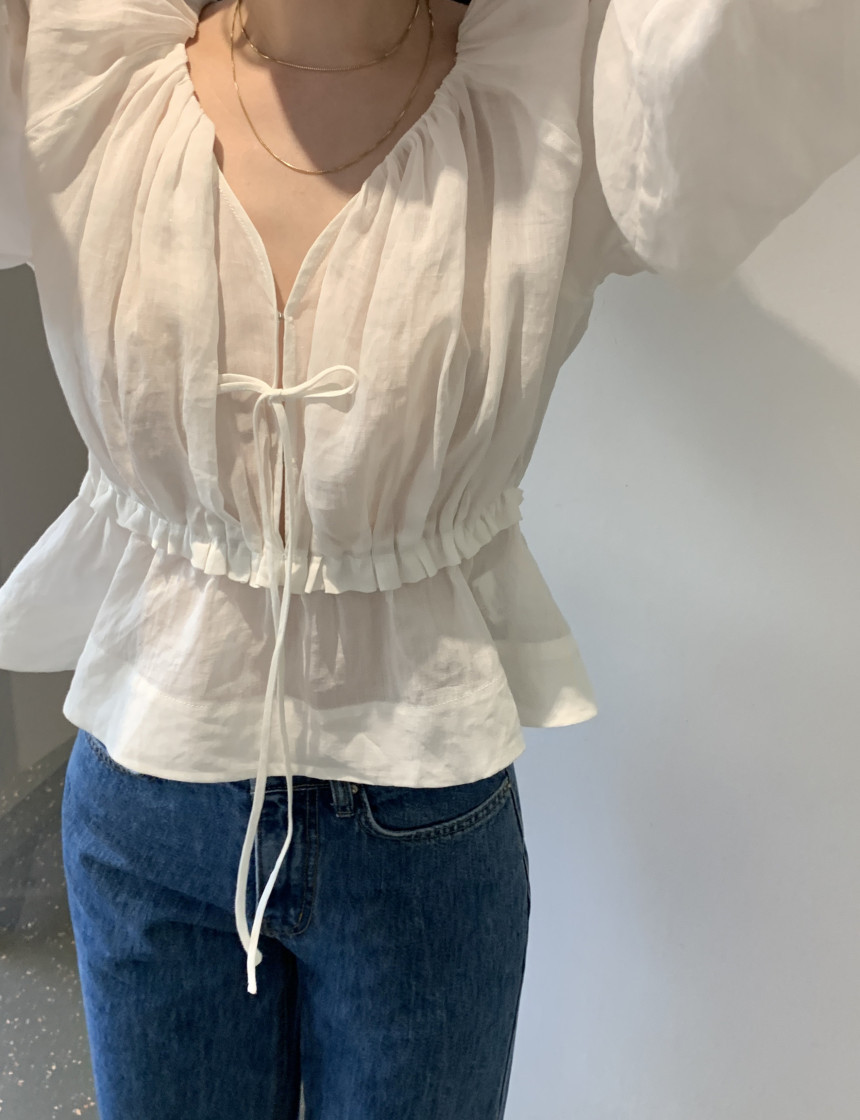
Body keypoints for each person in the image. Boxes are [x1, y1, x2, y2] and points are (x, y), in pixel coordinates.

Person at [0, 0, 857, 1117]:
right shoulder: (83, 74)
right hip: (147, 802)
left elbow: (744, 60)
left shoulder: (546, 97)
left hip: (421, 826)